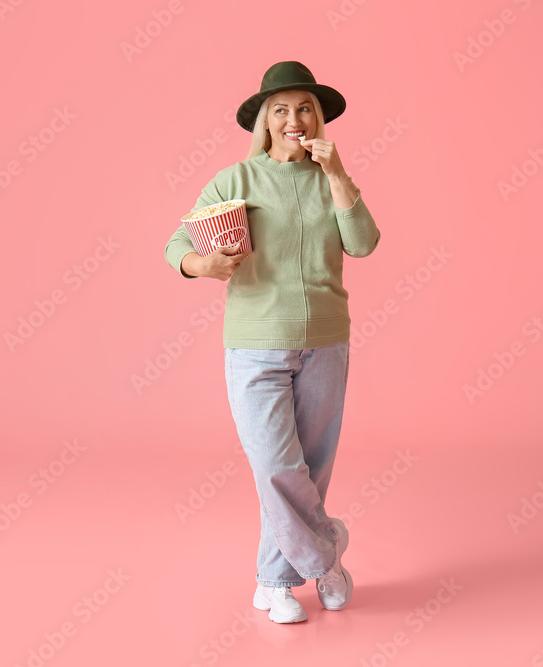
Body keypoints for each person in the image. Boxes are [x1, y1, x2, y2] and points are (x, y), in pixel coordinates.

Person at [163, 61, 381, 624]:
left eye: (304, 107)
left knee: (312, 467)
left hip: (328, 341)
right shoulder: (235, 180)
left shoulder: (331, 176)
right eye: (280, 109)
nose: (293, 118)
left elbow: (363, 243)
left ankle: (275, 583)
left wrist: (337, 175)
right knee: (278, 469)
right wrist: (200, 264)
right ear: (264, 120)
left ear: (319, 118)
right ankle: (327, 558)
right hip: (257, 345)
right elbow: (177, 242)